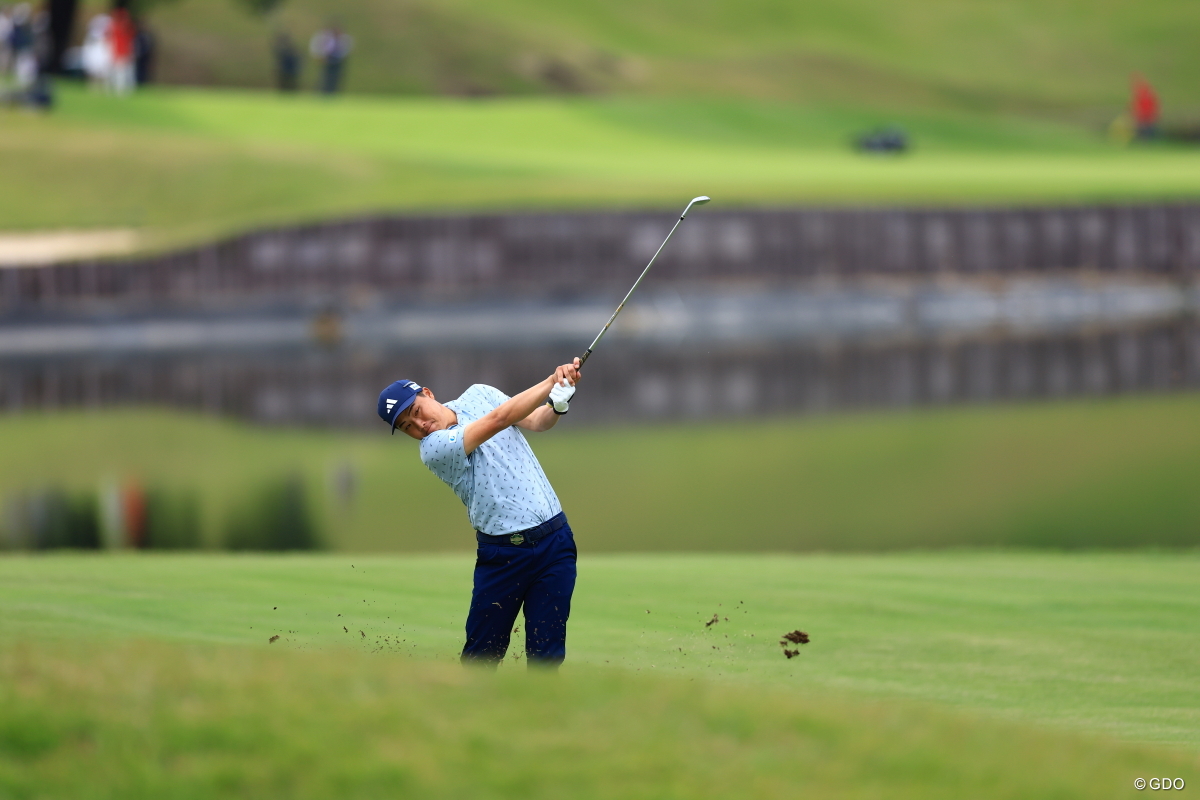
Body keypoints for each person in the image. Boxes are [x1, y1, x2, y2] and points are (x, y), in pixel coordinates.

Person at [377, 360, 581, 667]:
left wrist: (559, 401)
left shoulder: (480, 394)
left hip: (555, 542)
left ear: (428, 394)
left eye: (416, 412)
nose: (418, 426)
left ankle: (542, 714)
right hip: (503, 558)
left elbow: (538, 420)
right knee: (481, 658)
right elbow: (499, 419)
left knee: (547, 657)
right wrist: (552, 380)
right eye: (407, 426)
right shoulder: (433, 449)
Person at [309, 21, 351, 95]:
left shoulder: (344, 39)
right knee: (325, 78)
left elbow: (345, 50)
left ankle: (333, 93)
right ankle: (323, 92)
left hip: (338, 61)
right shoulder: (328, 39)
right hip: (328, 60)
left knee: (336, 78)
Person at [106, 5, 134, 95]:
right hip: (117, 52)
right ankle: (116, 89)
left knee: (123, 73)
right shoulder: (115, 27)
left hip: (123, 52)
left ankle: (121, 90)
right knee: (117, 73)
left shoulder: (125, 27)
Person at [1130, 73, 1160, 141]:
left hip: (1147, 114)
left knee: (1147, 129)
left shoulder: (1146, 94)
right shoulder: (1142, 95)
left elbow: (1153, 105)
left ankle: (1147, 141)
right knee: (1142, 129)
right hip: (1143, 115)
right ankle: (1143, 141)